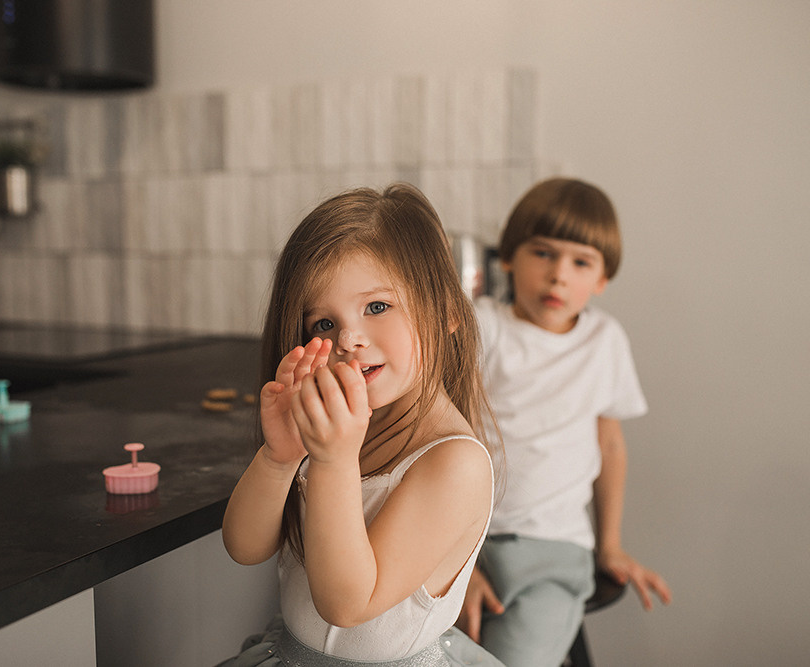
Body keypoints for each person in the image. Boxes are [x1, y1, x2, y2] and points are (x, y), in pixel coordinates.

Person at [219, 183, 505, 666]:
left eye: (377, 307)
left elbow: (347, 605)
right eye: (323, 324)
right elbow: (244, 547)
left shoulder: (454, 464)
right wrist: (280, 457)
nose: (349, 338)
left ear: (449, 313)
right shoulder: (343, 427)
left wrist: (333, 461)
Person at [457, 177, 672, 666]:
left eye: (581, 263)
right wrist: (458, 563)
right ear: (508, 258)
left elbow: (610, 446)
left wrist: (610, 545)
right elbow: (449, 435)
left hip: (553, 552)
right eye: (542, 253)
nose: (558, 276)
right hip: (463, 538)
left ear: (602, 280)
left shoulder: (605, 341)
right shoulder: (483, 326)